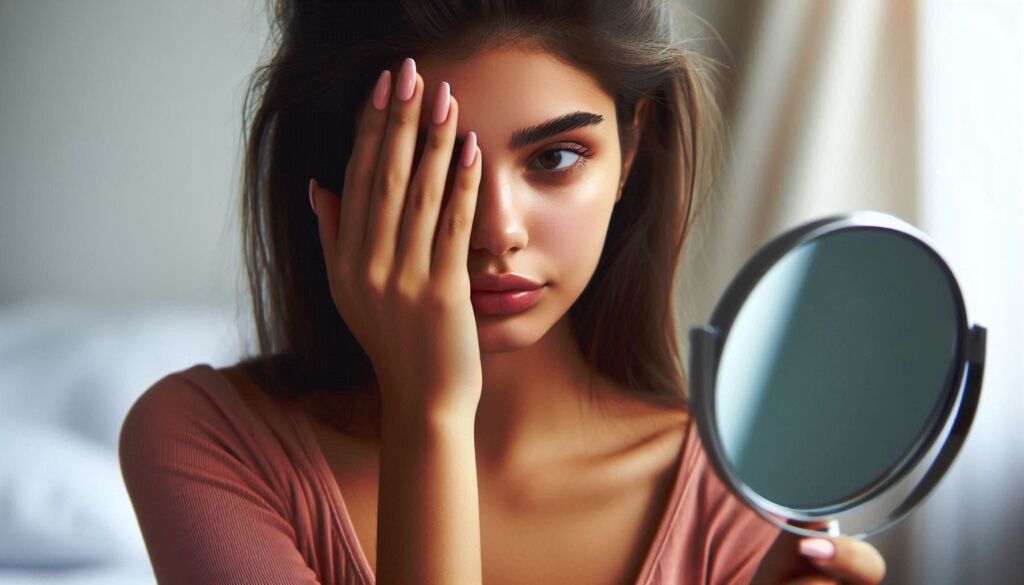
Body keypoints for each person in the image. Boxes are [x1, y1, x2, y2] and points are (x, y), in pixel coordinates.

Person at [119, 1, 887, 583]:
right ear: (337, 181)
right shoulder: (205, 442)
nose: (497, 230)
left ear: (629, 155)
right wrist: (430, 408)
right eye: (432, 162)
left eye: (554, 156)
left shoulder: (746, 499)